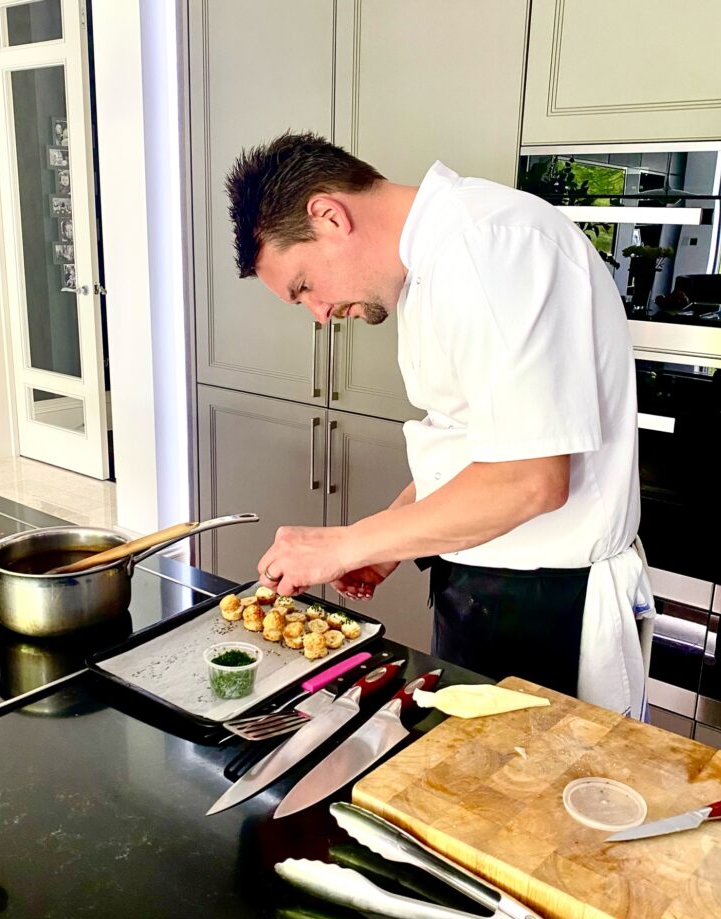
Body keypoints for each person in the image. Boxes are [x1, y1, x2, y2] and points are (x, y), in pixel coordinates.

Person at [225, 132, 654, 717]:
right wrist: (385, 537)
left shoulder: (486, 248)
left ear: (328, 216)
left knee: (525, 801)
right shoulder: (434, 268)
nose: (320, 316)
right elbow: (471, 448)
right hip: (488, 586)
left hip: (546, 605)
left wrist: (345, 543)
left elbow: (531, 479)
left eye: (304, 288)